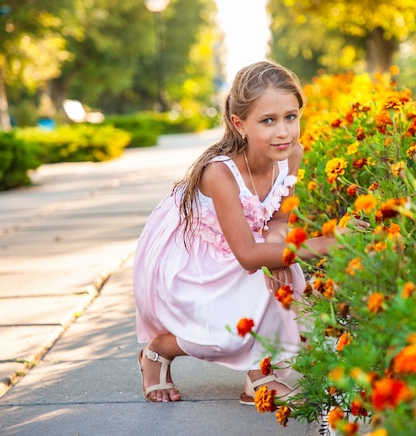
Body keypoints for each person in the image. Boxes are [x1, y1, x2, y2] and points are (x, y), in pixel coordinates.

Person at [133, 60, 345, 404]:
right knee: (225, 335)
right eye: (268, 121)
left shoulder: (291, 155)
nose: (283, 132)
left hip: (243, 247)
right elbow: (247, 256)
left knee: (282, 275)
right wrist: (330, 243)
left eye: (291, 117)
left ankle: (259, 377)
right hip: (195, 259)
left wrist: (276, 250)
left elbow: (277, 220)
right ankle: (158, 351)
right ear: (239, 124)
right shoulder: (220, 173)